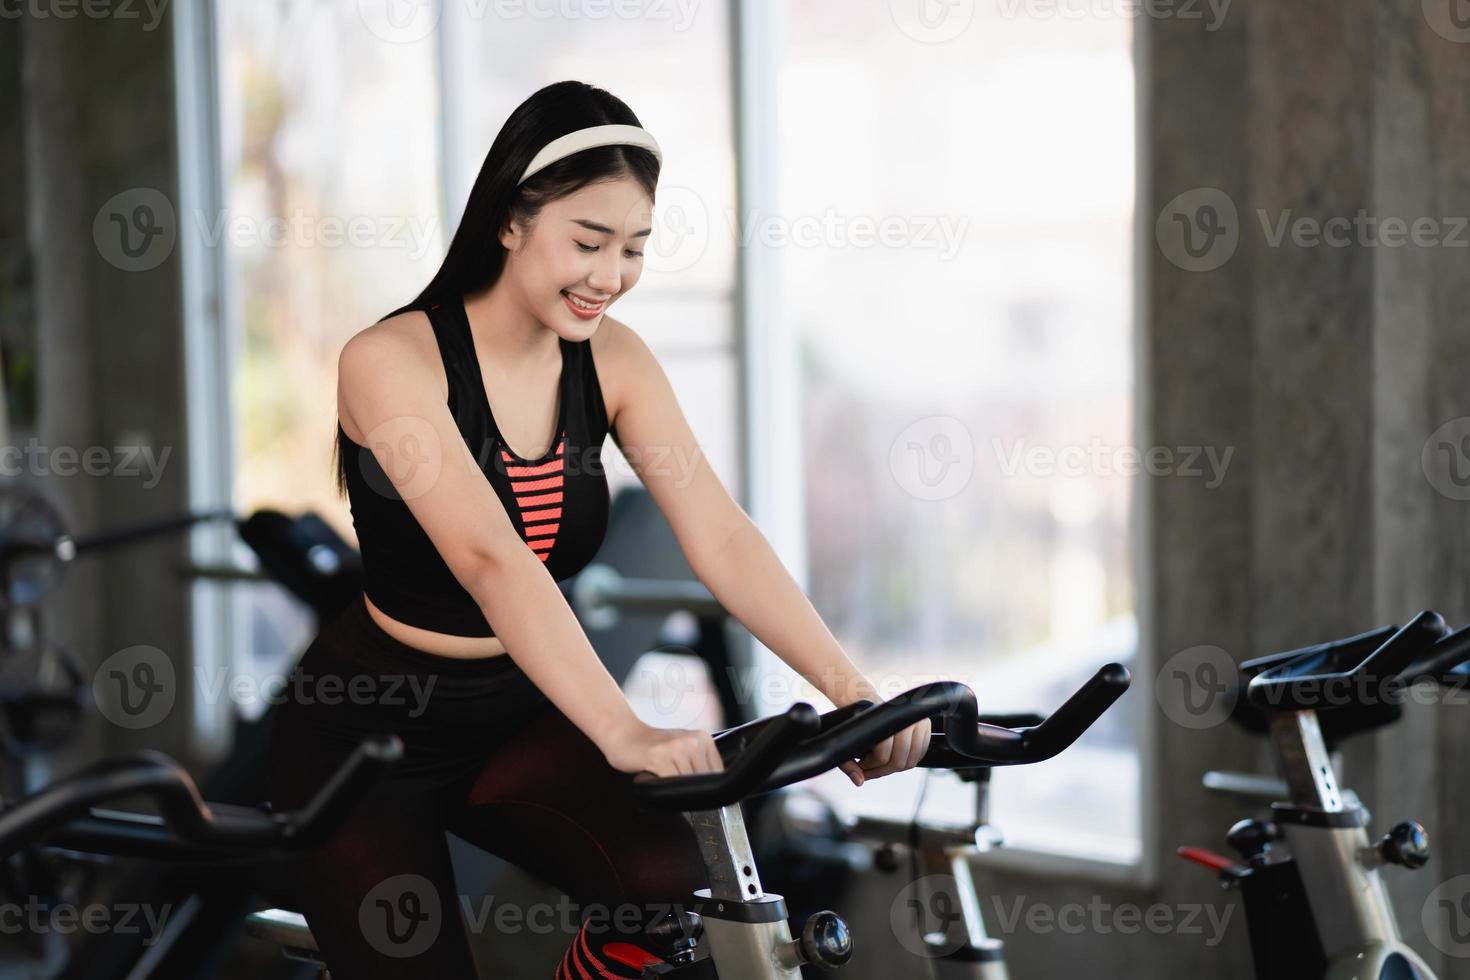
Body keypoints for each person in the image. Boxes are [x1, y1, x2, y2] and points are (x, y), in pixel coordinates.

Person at [264, 79, 932, 979]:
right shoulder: (392, 362)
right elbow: (490, 560)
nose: (610, 276)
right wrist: (625, 731)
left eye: (634, 248)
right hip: (366, 732)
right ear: (509, 221)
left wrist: (854, 690)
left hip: (514, 708)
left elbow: (720, 535)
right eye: (588, 241)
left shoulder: (614, 360)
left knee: (668, 895)